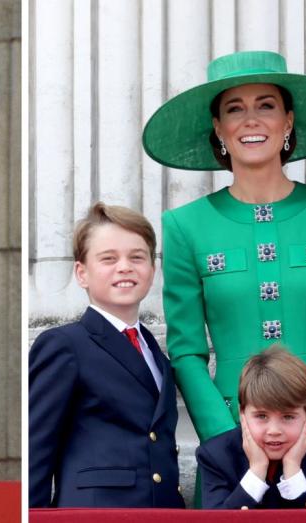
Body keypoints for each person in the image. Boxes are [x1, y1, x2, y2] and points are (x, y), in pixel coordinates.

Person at [142, 50, 306, 507]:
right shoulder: (185, 226)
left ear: (288, 120)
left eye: (266, 104)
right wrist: (228, 440)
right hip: (231, 446)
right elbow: (186, 350)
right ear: (218, 127)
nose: (252, 119)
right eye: (235, 108)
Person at [29, 202, 184, 508]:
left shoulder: (157, 354)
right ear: (82, 273)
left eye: (137, 257)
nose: (124, 267)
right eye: (108, 259)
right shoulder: (63, 345)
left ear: (152, 271)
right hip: (94, 512)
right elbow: (37, 449)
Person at [196, 347, 306, 510]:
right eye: (262, 416)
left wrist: (292, 470)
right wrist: (256, 471)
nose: (274, 430)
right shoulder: (216, 456)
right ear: (242, 413)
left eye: (288, 417)